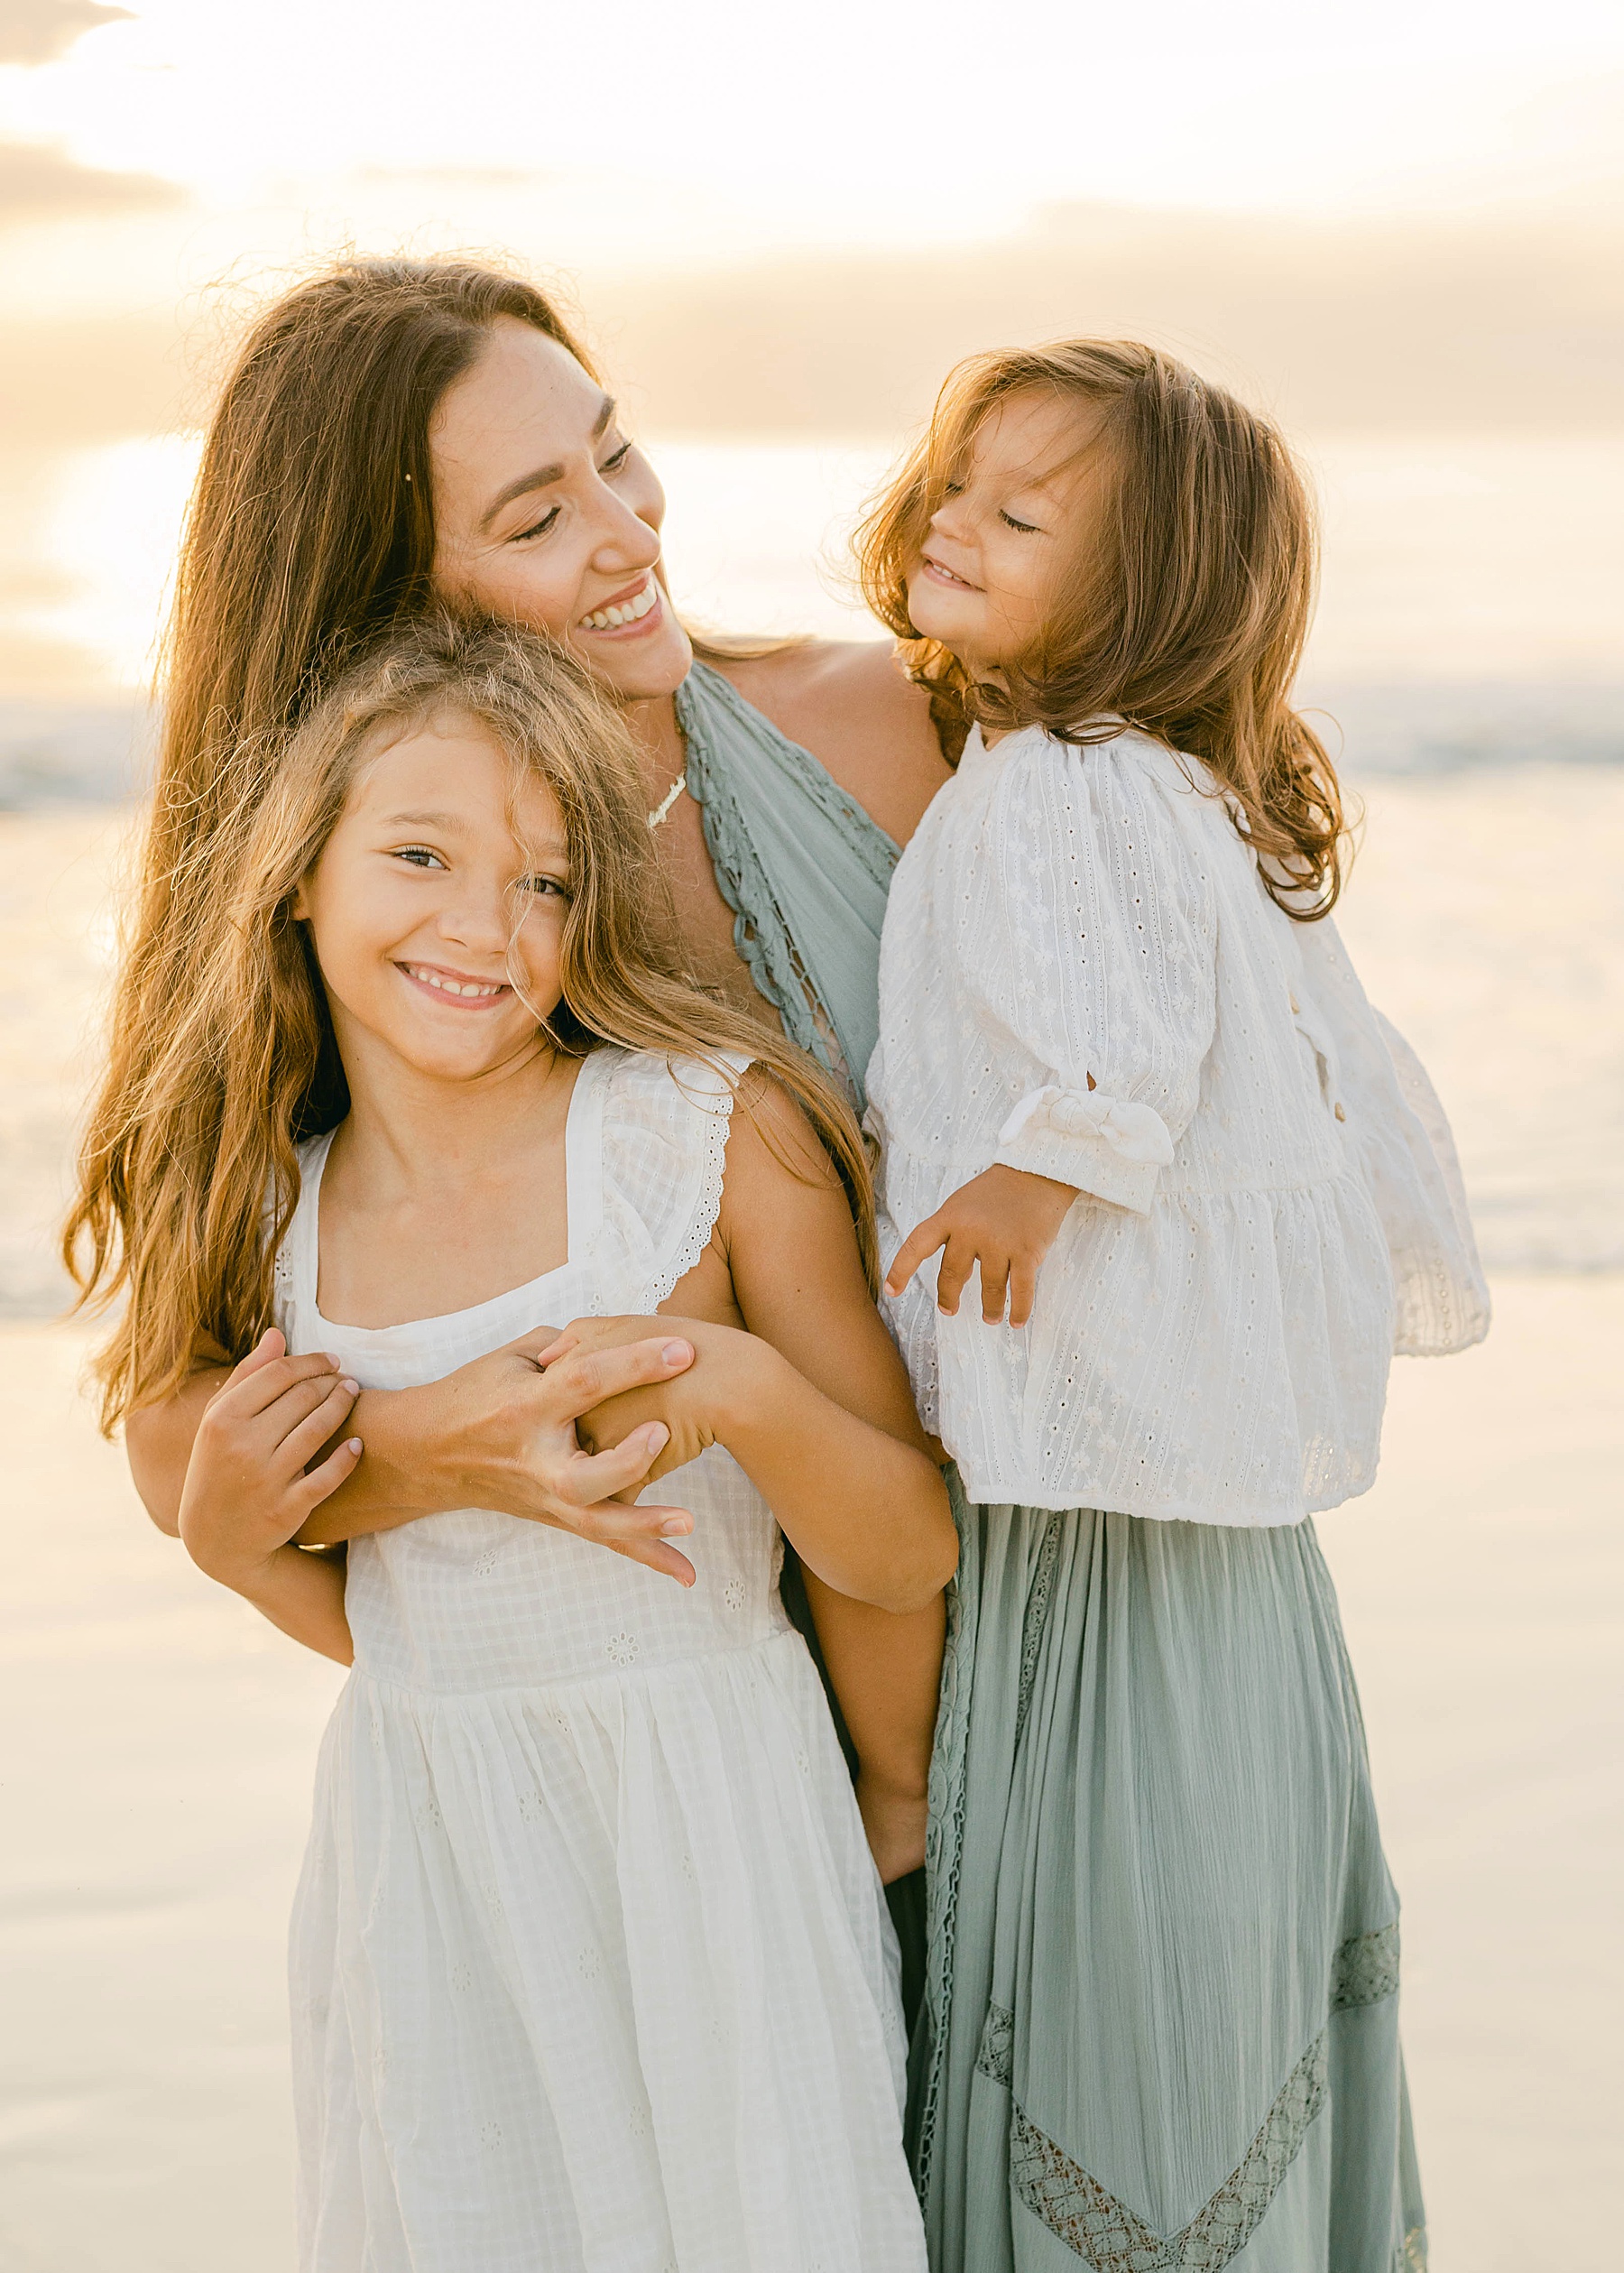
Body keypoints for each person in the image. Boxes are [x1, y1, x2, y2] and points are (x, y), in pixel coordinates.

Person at [69, 611, 953, 2268]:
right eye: (420, 854)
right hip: (433, 1866)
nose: (484, 925)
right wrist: (230, 1535)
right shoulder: (277, 1219)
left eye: (547, 882)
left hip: (724, 1833)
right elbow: (378, 1634)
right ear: (298, 868)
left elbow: (909, 1546)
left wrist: (733, 1387)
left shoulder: (705, 1130)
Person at [106, 255, 953, 1937]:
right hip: (675, 1775)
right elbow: (181, 1407)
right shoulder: (376, 923)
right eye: (536, 516)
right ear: (396, 607)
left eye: (613, 453)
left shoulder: (897, 732)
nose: (631, 535)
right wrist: (428, 1451)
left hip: (1009, 1630)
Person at [856, 341, 1490, 2270]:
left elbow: (1133, 1032)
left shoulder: (1058, 780)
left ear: (1138, 600)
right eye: (958, 479)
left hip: (1096, 1473)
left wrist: (1045, 1171)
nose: (959, 518)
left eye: (1022, 513)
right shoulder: (1180, 788)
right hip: (1201, 1500)